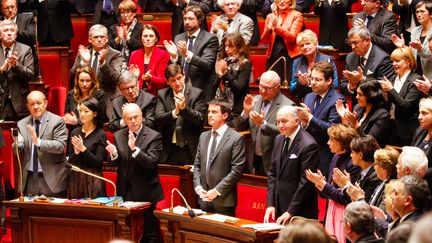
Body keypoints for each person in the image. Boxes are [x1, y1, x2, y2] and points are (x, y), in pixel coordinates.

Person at [105, 103, 163, 243]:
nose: (133, 121)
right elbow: (116, 163)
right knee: (126, 228)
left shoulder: (154, 136)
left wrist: (135, 149)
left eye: (136, 117)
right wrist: (113, 155)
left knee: (149, 231)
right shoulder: (119, 135)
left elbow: (151, 163)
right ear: (124, 120)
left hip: (146, 190)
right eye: (129, 118)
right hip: (124, 190)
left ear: (142, 116)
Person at [264, 105, 319, 225]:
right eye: (278, 122)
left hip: (300, 211)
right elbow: (273, 174)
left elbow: (305, 183)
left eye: (284, 121)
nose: (280, 125)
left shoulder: (309, 145)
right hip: (280, 205)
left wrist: (291, 211)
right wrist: (270, 204)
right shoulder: (278, 139)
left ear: (297, 121)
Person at [306, 124, 360, 243]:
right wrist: (320, 184)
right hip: (331, 213)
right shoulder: (335, 157)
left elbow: (346, 198)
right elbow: (330, 191)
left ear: (342, 142)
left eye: (331, 140)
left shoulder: (353, 163)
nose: (328, 143)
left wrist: (324, 185)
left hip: (346, 217)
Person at [234, 71, 294, 175]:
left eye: (266, 88)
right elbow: (240, 127)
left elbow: (286, 133)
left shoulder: (287, 106)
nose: (261, 91)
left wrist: (263, 124)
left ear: (278, 87)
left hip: (274, 161)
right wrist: (246, 112)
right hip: (254, 158)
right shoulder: (255, 100)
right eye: (260, 86)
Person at [193, 99, 246, 216]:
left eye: (214, 112)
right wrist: (198, 187)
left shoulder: (236, 138)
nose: (210, 115)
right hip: (204, 199)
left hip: (224, 200)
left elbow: (236, 171)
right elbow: (197, 165)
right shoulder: (203, 136)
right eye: (209, 112)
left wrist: (216, 191)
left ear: (225, 115)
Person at [12, 91, 70, 197]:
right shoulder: (22, 123)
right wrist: (18, 144)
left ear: (46, 103)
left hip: (52, 179)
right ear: (28, 107)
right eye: (32, 104)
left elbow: (60, 146)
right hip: (30, 179)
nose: (36, 106)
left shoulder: (57, 121)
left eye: (39, 103)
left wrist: (38, 142)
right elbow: (16, 150)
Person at [297, 61, 344, 177]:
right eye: (311, 79)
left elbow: (333, 129)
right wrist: (304, 123)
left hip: (325, 154)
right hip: (307, 152)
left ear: (329, 81)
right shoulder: (308, 96)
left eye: (317, 80)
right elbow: (308, 124)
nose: (312, 83)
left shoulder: (337, 100)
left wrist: (310, 118)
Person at [164, 5, 219, 102]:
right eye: (185, 18)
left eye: (190, 18)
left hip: (202, 87)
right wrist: (174, 56)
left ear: (199, 21)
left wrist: (187, 54)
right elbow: (177, 65)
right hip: (182, 87)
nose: (187, 22)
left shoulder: (210, 39)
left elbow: (207, 64)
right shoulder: (178, 38)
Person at [155, 64, 206, 165]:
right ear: (167, 82)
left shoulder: (197, 94)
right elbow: (158, 118)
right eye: (173, 80)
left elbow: (199, 119)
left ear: (184, 75)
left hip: (189, 149)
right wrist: (175, 113)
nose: (177, 83)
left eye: (179, 78)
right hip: (169, 150)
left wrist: (184, 109)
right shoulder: (162, 95)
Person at [70, 24, 122, 118]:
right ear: (90, 39)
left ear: (106, 39)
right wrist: (84, 63)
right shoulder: (84, 53)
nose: (99, 39)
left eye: (102, 37)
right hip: (85, 97)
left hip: (106, 98)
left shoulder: (115, 55)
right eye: (96, 37)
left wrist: (103, 63)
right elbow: (72, 76)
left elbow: (114, 79)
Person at [379, 47, 424, 146]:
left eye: (397, 61)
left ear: (408, 62)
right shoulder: (392, 78)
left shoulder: (415, 80)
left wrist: (391, 90)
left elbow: (406, 107)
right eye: (393, 61)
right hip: (390, 127)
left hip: (407, 130)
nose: (394, 64)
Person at [340, 26, 395, 105]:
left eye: (355, 43)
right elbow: (343, 86)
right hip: (358, 107)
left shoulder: (383, 59)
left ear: (367, 40)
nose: (352, 47)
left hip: (376, 107)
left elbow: (383, 88)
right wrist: (351, 86)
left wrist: (362, 79)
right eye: (350, 43)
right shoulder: (350, 57)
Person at [67, 97, 107, 199]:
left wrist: (83, 150)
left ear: (95, 113)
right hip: (76, 180)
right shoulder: (75, 132)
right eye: (80, 111)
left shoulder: (100, 134)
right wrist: (76, 153)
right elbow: (69, 163)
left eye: (86, 111)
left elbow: (98, 163)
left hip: (93, 180)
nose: (82, 114)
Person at [337, 79, 390, 147]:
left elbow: (370, 143)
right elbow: (349, 136)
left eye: (360, 94)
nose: (357, 97)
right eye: (357, 93)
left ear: (371, 96)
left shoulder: (382, 115)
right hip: (355, 150)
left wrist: (355, 124)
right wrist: (344, 118)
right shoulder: (358, 108)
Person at [261, 0, 304, 84]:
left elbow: (292, 37)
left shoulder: (297, 15)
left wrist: (276, 27)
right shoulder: (270, 16)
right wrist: (269, 30)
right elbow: (264, 40)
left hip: (290, 57)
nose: (282, 1)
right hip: (273, 55)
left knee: (287, 85)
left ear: (291, 2)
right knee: (270, 84)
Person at [0, 19, 33, 121]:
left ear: (16, 34)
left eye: (12, 30)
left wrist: (17, 65)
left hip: (19, 102)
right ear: (0, 35)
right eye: (6, 30)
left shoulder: (26, 50)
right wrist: (1, 70)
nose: (9, 33)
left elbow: (30, 75)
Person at [347, 147, 399, 211]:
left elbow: (379, 214)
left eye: (375, 164)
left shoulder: (392, 188)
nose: (374, 167)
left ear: (383, 167)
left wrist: (360, 199)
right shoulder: (383, 182)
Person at [290, 29, 338, 98]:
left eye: (308, 43)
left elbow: (334, 85)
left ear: (316, 44)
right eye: (302, 45)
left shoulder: (328, 60)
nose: (305, 47)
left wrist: (309, 84)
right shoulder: (296, 62)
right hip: (303, 101)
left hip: (324, 100)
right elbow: (292, 91)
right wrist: (300, 83)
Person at [215, 32, 252, 118]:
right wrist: (219, 74)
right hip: (223, 105)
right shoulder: (224, 61)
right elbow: (215, 86)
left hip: (237, 109)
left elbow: (239, 88)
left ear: (239, 47)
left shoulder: (245, 63)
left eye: (230, 46)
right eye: (225, 46)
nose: (227, 49)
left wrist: (225, 73)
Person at [335, 135, 381, 203]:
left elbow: (364, 204)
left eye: (352, 152)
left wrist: (347, 184)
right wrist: (345, 186)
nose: (350, 155)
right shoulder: (362, 169)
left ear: (360, 155)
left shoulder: (375, 176)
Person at [392, 1, 432, 78]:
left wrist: (421, 48)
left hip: (429, 77)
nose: (419, 15)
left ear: (430, 14)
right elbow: (412, 54)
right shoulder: (415, 31)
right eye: (417, 12)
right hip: (415, 75)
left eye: (422, 11)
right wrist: (403, 47)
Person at [64, 66, 107, 138]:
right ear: (77, 81)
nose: (84, 84)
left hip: (93, 135)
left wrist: (77, 121)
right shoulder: (71, 95)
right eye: (81, 80)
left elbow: (99, 120)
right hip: (75, 135)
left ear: (92, 81)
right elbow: (68, 117)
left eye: (88, 81)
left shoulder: (99, 95)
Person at [1, 0, 38, 80]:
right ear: (1, 9)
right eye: (7, 8)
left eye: (12, 7)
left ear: (17, 7)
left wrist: (13, 29)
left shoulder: (27, 19)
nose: (10, 10)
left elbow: (32, 36)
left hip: (24, 59)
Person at [129, 24, 169, 96]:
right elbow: (129, 80)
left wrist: (150, 78)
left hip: (156, 95)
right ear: (141, 38)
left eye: (151, 36)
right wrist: (135, 76)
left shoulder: (163, 54)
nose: (148, 39)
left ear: (156, 38)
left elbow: (163, 82)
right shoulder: (134, 54)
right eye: (145, 36)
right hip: (137, 94)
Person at [108, 0, 143, 71]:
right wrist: (118, 38)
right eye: (123, 12)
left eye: (128, 12)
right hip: (116, 64)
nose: (125, 15)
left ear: (134, 13)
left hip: (135, 64)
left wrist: (128, 38)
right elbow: (108, 47)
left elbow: (141, 46)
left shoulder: (141, 28)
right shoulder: (113, 28)